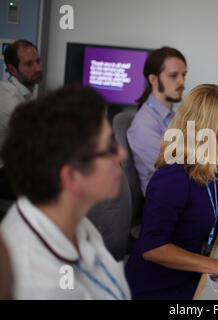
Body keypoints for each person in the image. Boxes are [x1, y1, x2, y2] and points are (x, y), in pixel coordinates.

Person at [125, 84, 218, 300]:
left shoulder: (209, 165)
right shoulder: (172, 177)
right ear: (213, 127)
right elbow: (153, 248)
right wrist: (216, 265)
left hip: (190, 276)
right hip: (158, 289)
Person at [0, 85, 131, 300]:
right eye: (109, 148)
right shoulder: (40, 284)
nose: (122, 154)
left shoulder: (71, 220)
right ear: (70, 177)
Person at [127, 46, 187, 196]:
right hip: (169, 205)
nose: (181, 82)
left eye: (183, 75)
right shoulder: (144, 126)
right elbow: (174, 175)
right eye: (173, 76)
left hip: (183, 196)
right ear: (153, 79)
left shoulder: (171, 117)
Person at [0, 40, 43, 200]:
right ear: (12, 69)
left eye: (38, 61)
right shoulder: (11, 100)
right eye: (29, 64)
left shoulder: (19, 92)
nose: (37, 68)